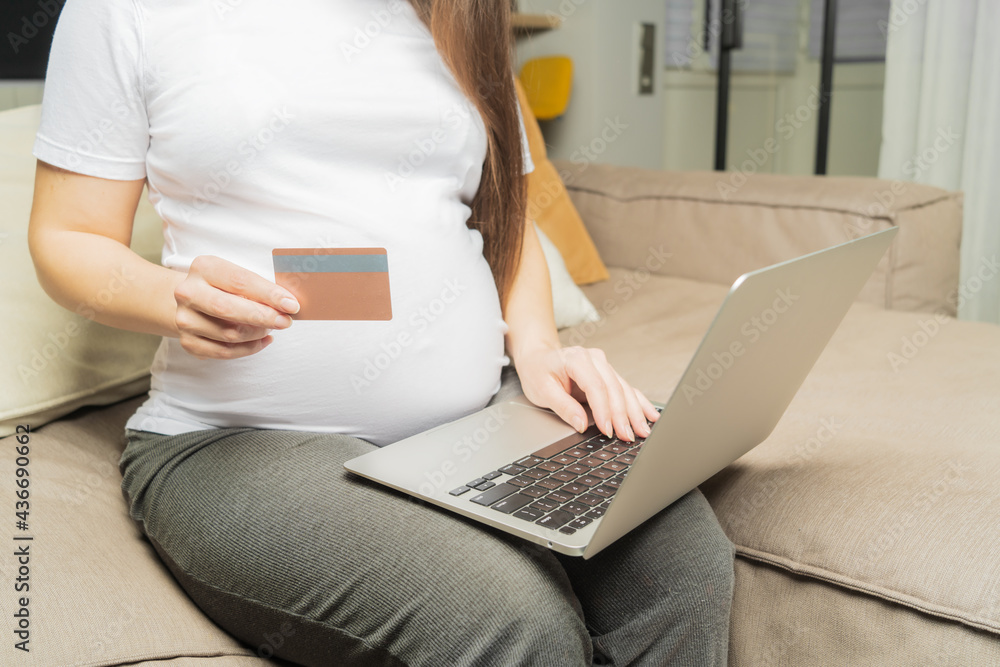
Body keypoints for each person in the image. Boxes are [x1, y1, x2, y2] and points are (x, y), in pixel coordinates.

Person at [28, 0, 735, 664]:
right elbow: (67, 237)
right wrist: (170, 296)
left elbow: (506, 226)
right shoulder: (125, 11)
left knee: (683, 571)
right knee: (514, 621)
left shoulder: (459, 12)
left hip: (477, 420)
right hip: (231, 437)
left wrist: (540, 347)